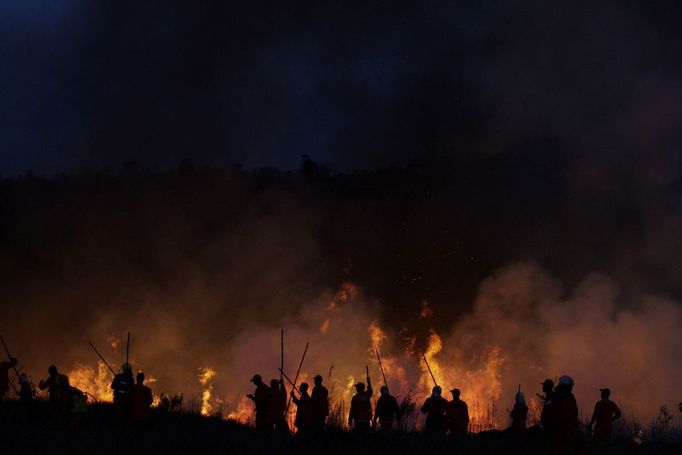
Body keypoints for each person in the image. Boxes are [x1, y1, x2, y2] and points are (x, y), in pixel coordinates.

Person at [552, 375, 586, 453]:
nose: (571, 388)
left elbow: (574, 412)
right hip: (563, 431)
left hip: (573, 429)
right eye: (570, 387)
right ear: (564, 387)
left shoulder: (570, 396)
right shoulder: (558, 398)